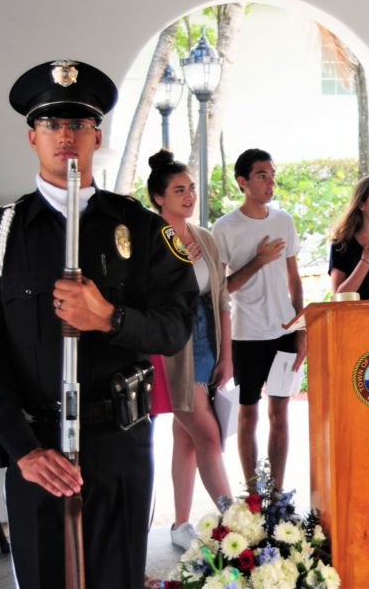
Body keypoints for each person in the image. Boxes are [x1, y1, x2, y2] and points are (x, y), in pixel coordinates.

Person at [0, 60, 198, 588]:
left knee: (118, 576)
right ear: (32, 137)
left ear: (97, 137)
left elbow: (176, 326)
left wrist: (109, 317)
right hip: (38, 446)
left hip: (120, 441)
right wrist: (22, 449)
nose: (65, 136)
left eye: (79, 124)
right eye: (51, 124)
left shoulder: (141, 228)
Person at [146, 150, 234, 549]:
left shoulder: (204, 237)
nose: (189, 196)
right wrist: (179, 265)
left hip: (206, 336)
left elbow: (222, 299)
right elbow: (146, 300)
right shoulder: (149, 240)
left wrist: (226, 354)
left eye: (191, 188)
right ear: (158, 197)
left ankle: (180, 524)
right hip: (170, 344)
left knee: (186, 436)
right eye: (179, 190)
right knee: (208, 436)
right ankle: (237, 523)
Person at [211, 148, 306, 492]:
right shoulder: (225, 228)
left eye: (272, 175)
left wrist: (300, 330)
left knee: (280, 413)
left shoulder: (284, 220)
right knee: (248, 414)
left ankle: (277, 494)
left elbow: (295, 280)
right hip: (246, 336)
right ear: (243, 182)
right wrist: (258, 260)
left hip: (284, 332)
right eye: (262, 175)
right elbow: (221, 288)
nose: (270, 182)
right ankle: (253, 494)